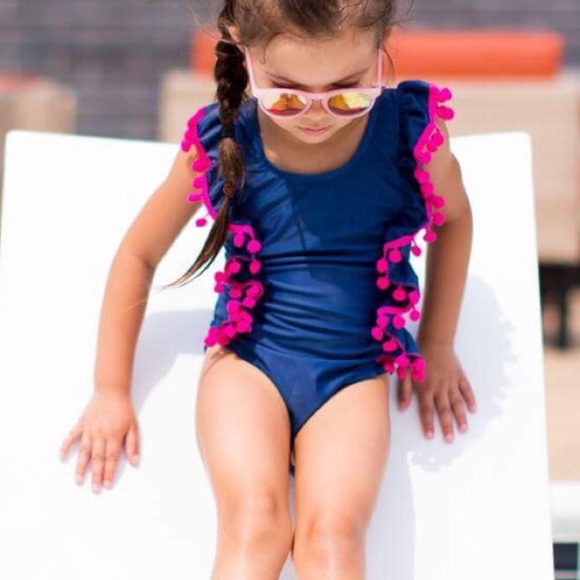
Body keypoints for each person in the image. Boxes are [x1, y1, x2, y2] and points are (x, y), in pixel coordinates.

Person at [59, 0, 478, 576]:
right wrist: (111, 389)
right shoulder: (225, 139)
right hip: (247, 366)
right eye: (285, 94)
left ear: (382, 50)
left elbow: (455, 218)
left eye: (347, 92)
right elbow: (139, 252)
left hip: (352, 375)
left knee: (333, 539)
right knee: (255, 525)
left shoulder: (406, 135)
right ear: (243, 51)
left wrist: (437, 342)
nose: (316, 114)